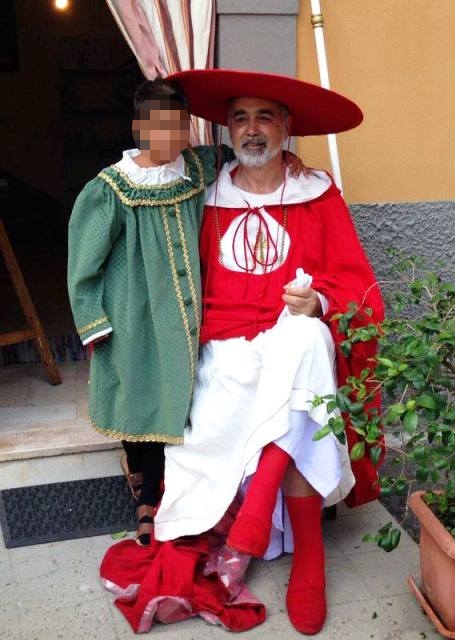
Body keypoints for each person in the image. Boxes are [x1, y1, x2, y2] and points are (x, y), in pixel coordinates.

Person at [100, 69, 384, 636]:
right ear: (227, 130)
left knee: (305, 340)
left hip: (290, 345)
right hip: (224, 346)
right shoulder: (204, 192)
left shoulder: (316, 192)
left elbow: (359, 286)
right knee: (296, 392)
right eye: (240, 118)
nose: (252, 130)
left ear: (286, 126)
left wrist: (321, 301)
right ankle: (280, 533)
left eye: (265, 117)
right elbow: (153, 241)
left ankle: (303, 557)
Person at [68, 77, 304, 547]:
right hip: (135, 314)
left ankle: (166, 491)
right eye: (156, 127)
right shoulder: (111, 189)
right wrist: (94, 320)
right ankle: (142, 482)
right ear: (138, 128)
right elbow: (83, 264)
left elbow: (247, 157)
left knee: (181, 402)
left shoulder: (198, 166)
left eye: (176, 126)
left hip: (188, 313)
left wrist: (288, 159)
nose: (167, 137)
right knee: (138, 394)